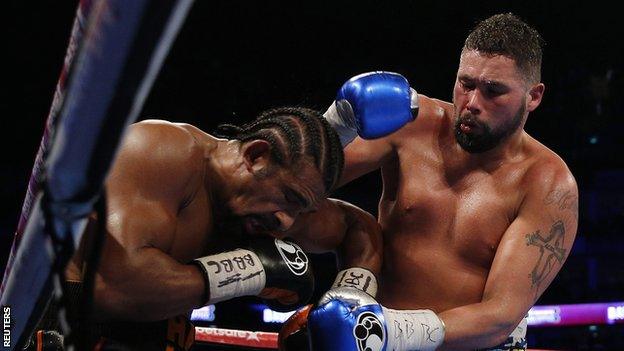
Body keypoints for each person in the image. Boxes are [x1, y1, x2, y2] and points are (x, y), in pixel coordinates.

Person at [281, 13, 579, 351]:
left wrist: (384, 331)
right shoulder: (411, 122)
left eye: (494, 91)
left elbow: (499, 316)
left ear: (534, 96)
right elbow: (296, 185)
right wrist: (335, 125)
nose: (472, 104)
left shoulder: (547, 183)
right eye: (466, 84)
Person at [26, 106, 383, 351]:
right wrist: (248, 270)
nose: (288, 221)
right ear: (256, 156)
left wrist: (350, 302)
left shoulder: (268, 207)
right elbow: (115, 289)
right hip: (69, 329)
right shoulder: (163, 152)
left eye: (300, 208)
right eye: (288, 198)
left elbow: (359, 228)